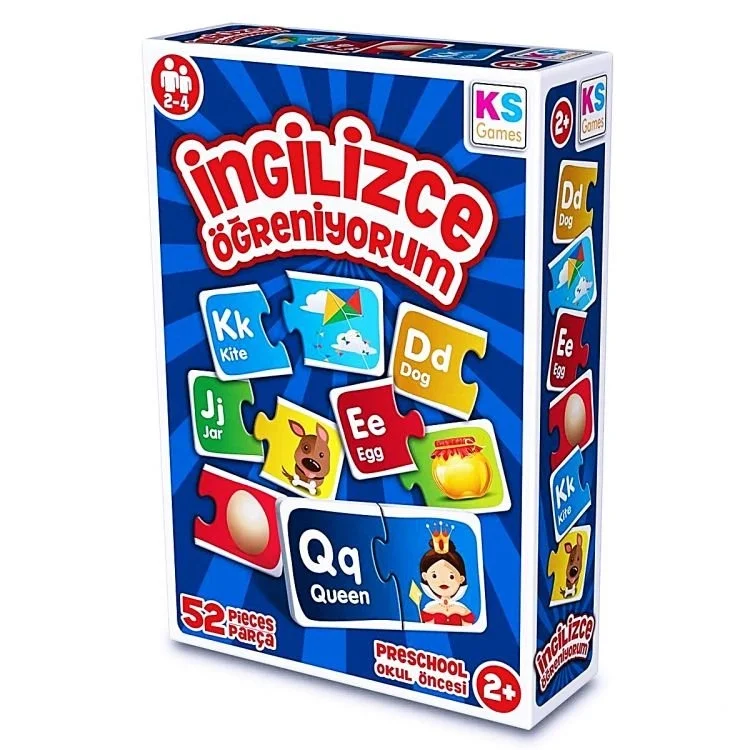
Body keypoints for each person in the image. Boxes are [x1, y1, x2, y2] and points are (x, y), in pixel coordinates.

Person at [419, 527, 474, 626]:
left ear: (461, 579)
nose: (443, 581)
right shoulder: (429, 609)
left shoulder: (463, 610)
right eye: (434, 576)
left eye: (451, 577)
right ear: (425, 576)